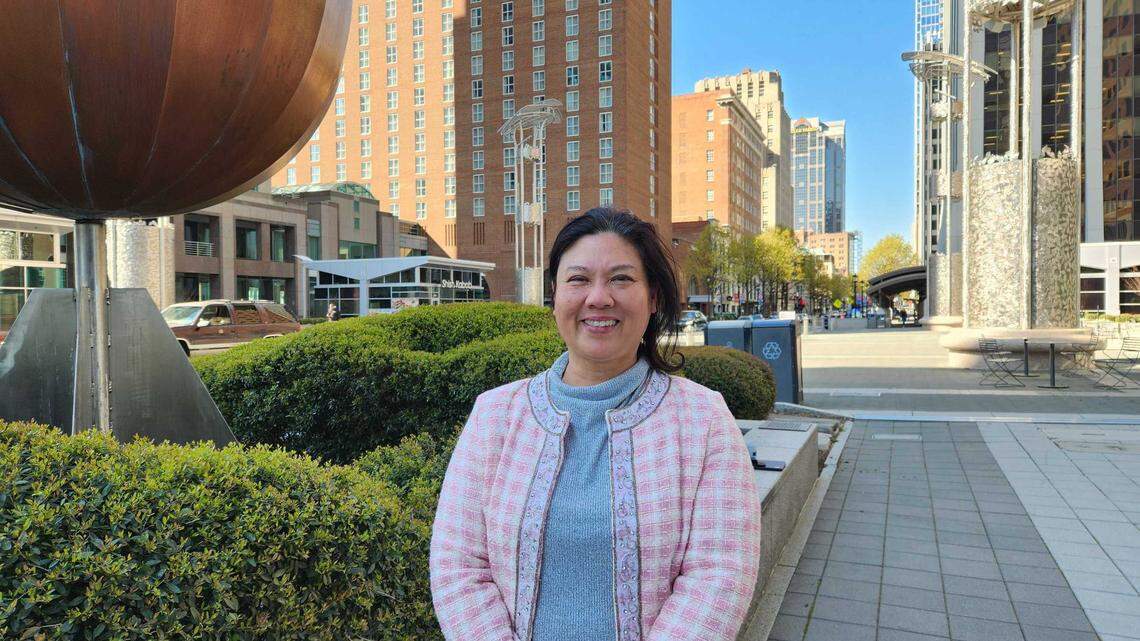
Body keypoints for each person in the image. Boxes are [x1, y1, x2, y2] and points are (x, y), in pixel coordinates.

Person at [430, 208, 762, 641]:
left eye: (621, 279)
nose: (599, 298)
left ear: (654, 297)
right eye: (578, 279)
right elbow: (459, 564)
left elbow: (719, 575)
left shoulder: (703, 420)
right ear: (555, 295)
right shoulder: (495, 415)